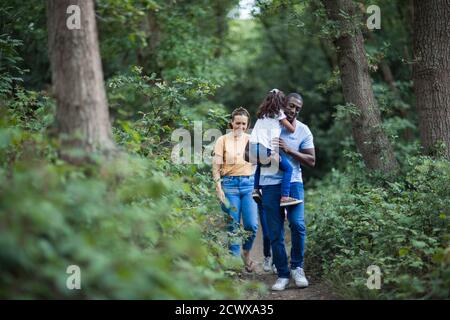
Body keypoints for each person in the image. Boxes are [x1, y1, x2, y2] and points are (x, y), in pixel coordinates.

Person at [259, 93, 316, 291]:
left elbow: (311, 160)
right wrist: (265, 156)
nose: (293, 110)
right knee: (275, 232)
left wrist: (289, 150)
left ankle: (297, 268)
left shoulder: (303, 130)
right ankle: (282, 274)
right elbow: (247, 154)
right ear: (283, 105)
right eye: (291, 106)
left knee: (298, 225)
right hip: (268, 184)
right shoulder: (267, 123)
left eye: (297, 108)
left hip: (293, 183)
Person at [212, 107, 259, 272]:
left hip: (249, 185)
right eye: (237, 123)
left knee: (252, 225)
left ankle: (246, 254)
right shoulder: (222, 140)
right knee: (232, 226)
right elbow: (215, 168)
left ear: (248, 124)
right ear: (231, 123)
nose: (240, 126)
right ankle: (234, 268)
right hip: (229, 186)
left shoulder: (252, 140)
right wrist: (219, 189)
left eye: (243, 123)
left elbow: (259, 166)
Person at [249, 89, 302, 207]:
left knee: (259, 164)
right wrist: (294, 117)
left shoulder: (262, 114)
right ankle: (284, 197)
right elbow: (292, 130)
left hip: (253, 148)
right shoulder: (279, 113)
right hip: (265, 148)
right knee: (288, 169)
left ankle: (256, 190)